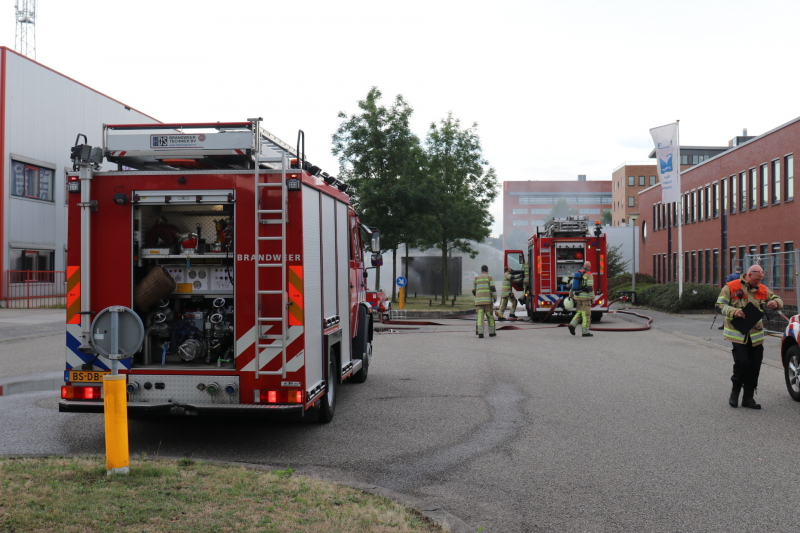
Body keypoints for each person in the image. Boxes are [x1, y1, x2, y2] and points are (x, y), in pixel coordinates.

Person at [716, 265, 782, 409]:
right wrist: (733, 311)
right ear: (749, 275)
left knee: (755, 366)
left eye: (761, 280)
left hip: (756, 336)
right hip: (738, 334)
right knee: (743, 363)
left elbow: (776, 298)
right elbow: (719, 305)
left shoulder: (762, 289)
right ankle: (735, 393)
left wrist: (776, 303)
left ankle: (748, 398)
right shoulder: (731, 286)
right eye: (756, 280)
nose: (758, 283)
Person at [567, 261, 594, 337]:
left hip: (577, 297)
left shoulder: (577, 274)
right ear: (589, 267)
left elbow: (572, 286)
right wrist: (593, 298)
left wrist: (571, 295)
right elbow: (589, 287)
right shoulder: (589, 275)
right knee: (586, 314)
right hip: (585, 298)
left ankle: (572, 325)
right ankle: (585, 332)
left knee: (579, 312)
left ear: (583, 266)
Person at [473, 265, 497, 338]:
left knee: (480, 316)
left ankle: (480, 333)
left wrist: (477, 297)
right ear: (487, 270)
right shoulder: (490, 277)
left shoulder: (476, 278)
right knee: (489, 316)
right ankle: (492, 333)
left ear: (481, 270)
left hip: (479, 302)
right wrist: (495, 298)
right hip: (487, 302)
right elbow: (492, 288)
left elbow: (473, 290)